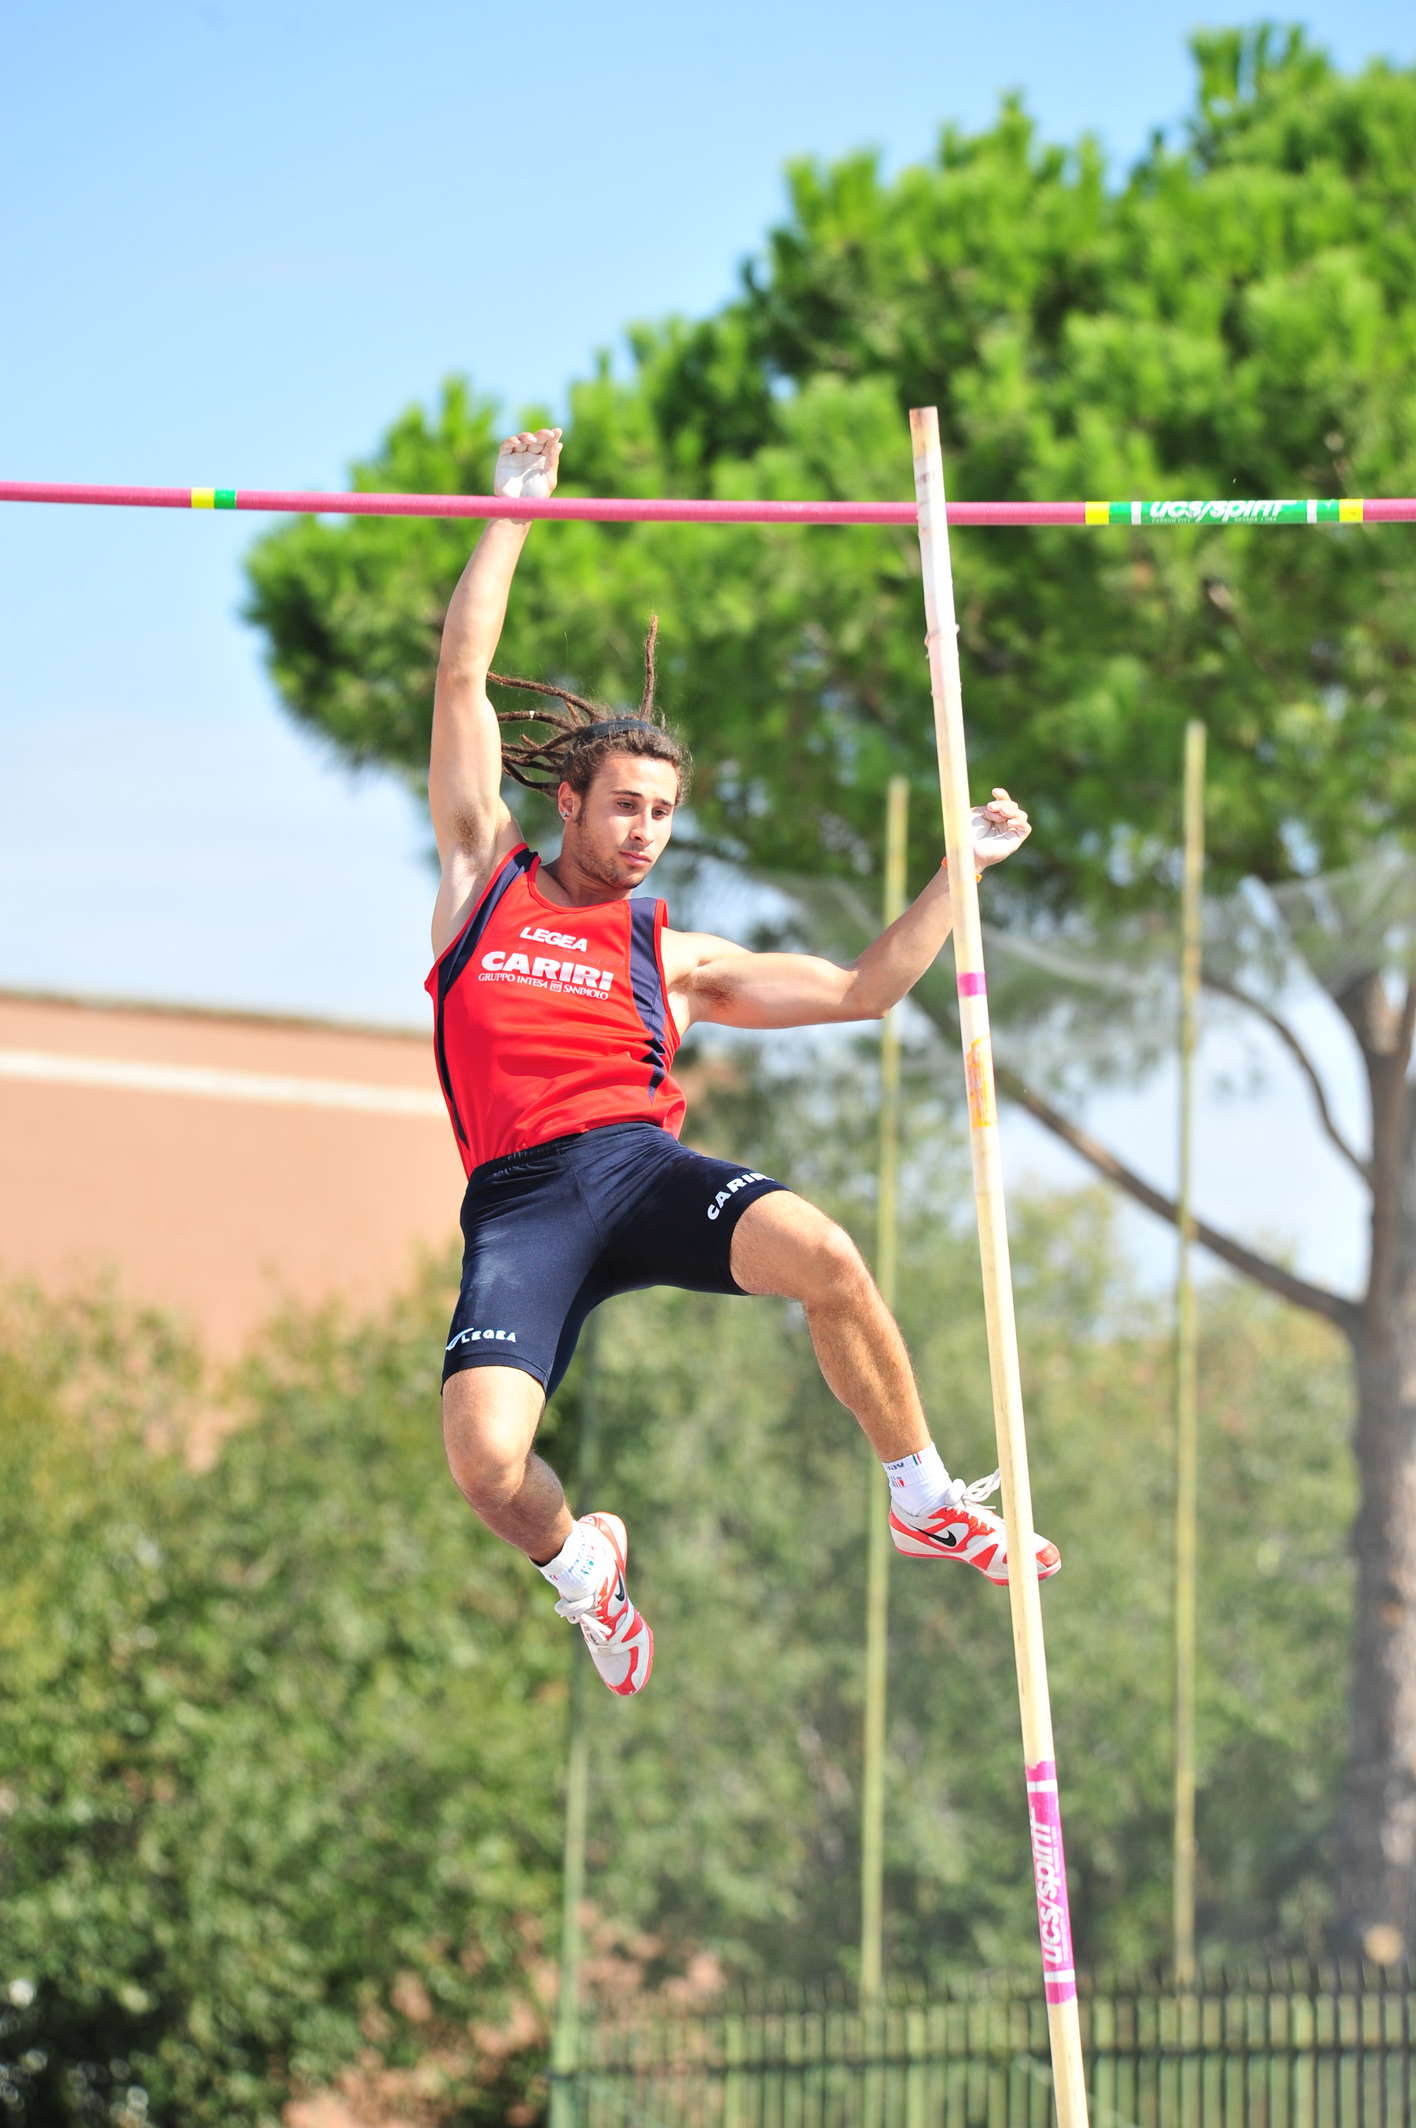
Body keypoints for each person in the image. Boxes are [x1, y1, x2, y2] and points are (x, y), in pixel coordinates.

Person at [427, 425, 1058, 1699]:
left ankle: (924, 1496)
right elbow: (461, 680)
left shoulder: (678, 956)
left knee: (828, 1255)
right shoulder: (481, 884)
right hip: (522, 1203)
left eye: (663, 812)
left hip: (637, 1171)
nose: (645, 831)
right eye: (625, 805)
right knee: (487, 1466)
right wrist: (513, 516)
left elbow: (866, 989)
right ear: (567, 799)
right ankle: (584, 1567)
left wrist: (958, 873)